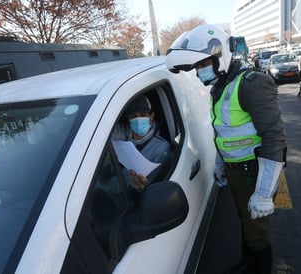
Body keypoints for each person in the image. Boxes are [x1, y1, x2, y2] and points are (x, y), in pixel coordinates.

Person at [165, 24, 287, 274]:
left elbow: (275, 139)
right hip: (236, 170)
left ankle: (260, 269)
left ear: (220, 56)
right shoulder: (221, 86)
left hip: (255, 170)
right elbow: (225, 132)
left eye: (202, 65)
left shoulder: (252, 83)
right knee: (246, 221)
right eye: (196, 67)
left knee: (257, 231)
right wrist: (221, 165)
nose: (199, 72)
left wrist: (264, 193)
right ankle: (247, 265)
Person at [112, 95, 171, 191]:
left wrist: (142, 187)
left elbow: (156, 186)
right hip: (110, 187)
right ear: (128, 120)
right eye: (133, 116)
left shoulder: (161, 147)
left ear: (151, 117)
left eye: (143, 114)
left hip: (127, 195)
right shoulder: (120, 134)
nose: (138, 120)